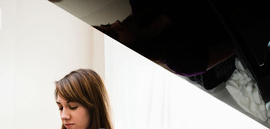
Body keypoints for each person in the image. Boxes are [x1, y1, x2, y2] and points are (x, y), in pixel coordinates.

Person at [94, 0, 235, 79]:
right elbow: (240, 44)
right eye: (114, 34)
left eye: (108, 25)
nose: (117, 23)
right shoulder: (183, 61)